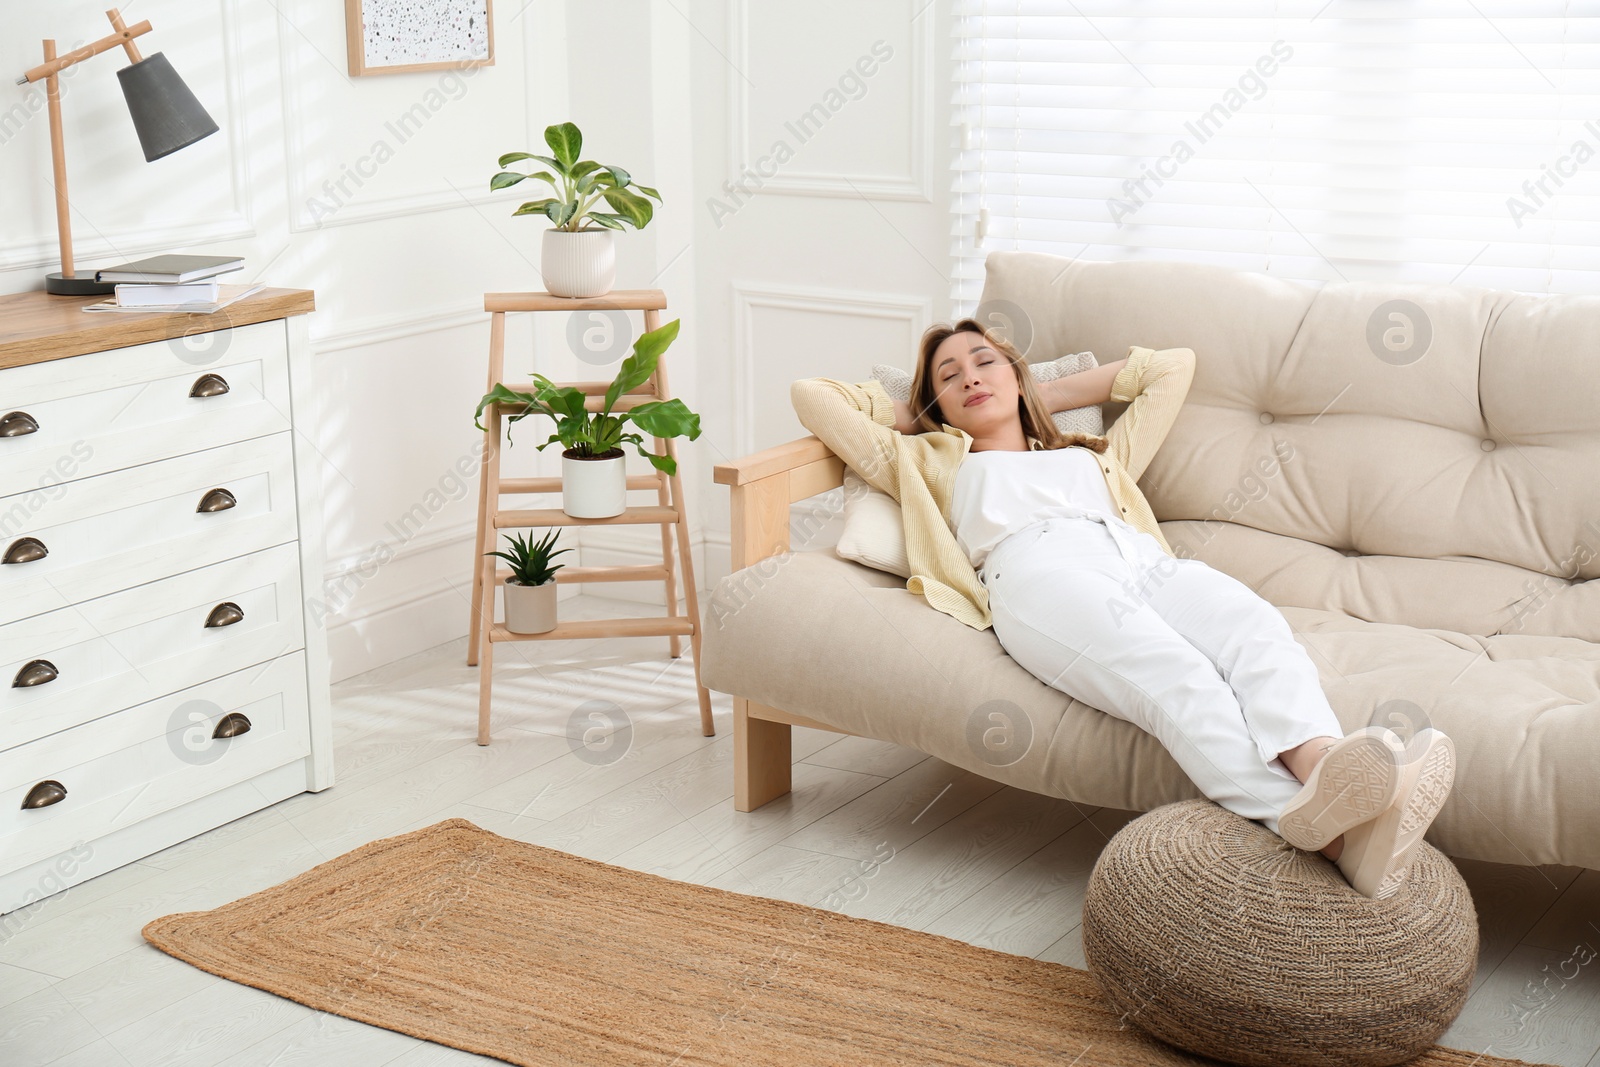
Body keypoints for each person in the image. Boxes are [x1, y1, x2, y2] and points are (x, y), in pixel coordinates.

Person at [790, 318, 1456, 899]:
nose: (970, 377)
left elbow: (1172, 367)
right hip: (1039, 571)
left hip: (1140, 561)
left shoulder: (1094, 456)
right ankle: (1329, 837)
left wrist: (1029, 395)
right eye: (950, 374)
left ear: (1015, 375)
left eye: (984, 361)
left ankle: (1324, 765)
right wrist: (926, 413)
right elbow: (812, 397)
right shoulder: (928, 460)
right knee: (1178, 676)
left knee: (1255, 625)